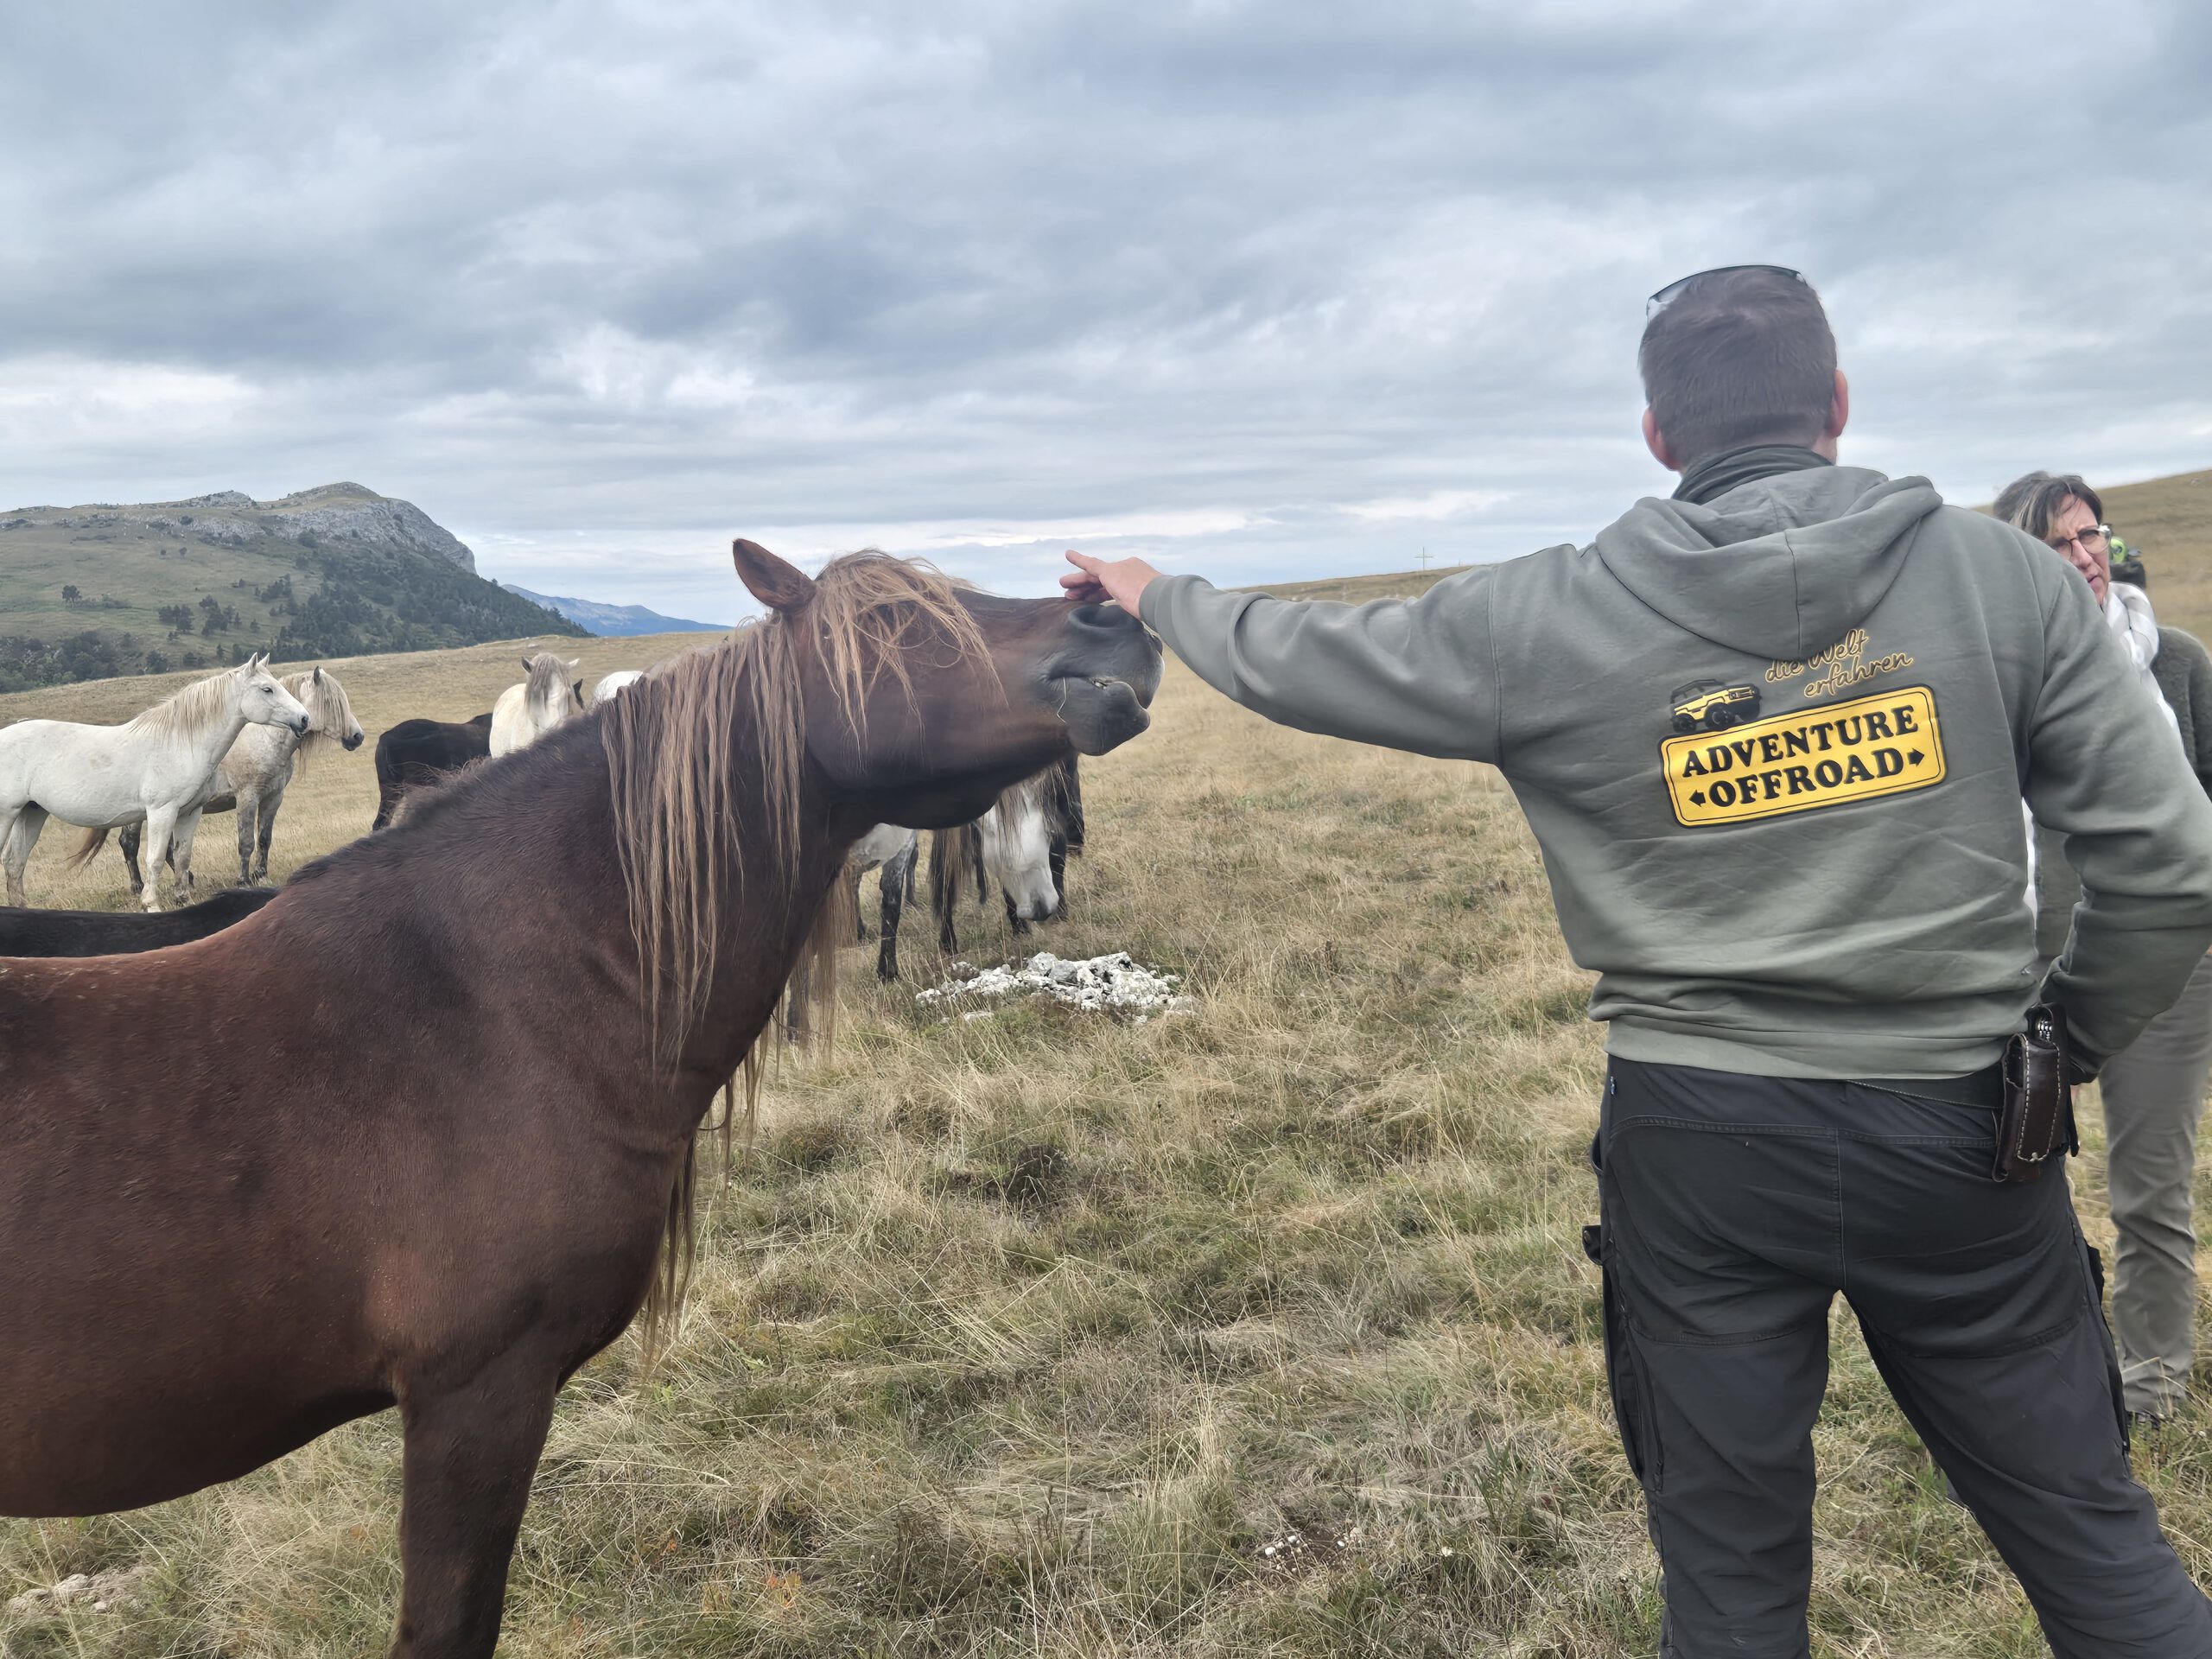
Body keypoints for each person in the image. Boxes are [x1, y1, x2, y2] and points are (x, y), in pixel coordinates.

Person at [1062, 266, 2212, 1656]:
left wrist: (1157, 595)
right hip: (1966, 1131)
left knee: (1727, 1586)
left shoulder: (1549, 613)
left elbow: (1305, 655)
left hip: (1698, 1143)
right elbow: (2171, 857)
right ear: (1837, 404)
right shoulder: (2010, 580)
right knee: (2097, 1549)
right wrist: (2064, 1045)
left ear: (1660, 435)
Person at [1999, 469, 2212, 1425]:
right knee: (2009, 1194)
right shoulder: (1993, 683)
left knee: (2150, 1189)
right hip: (2019, 975)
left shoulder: (2178, 665)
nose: (2084, 558)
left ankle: (2154, 1385)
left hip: (2162, 966)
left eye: (2090, 536)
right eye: (2056, 544)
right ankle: (2033, 1388)